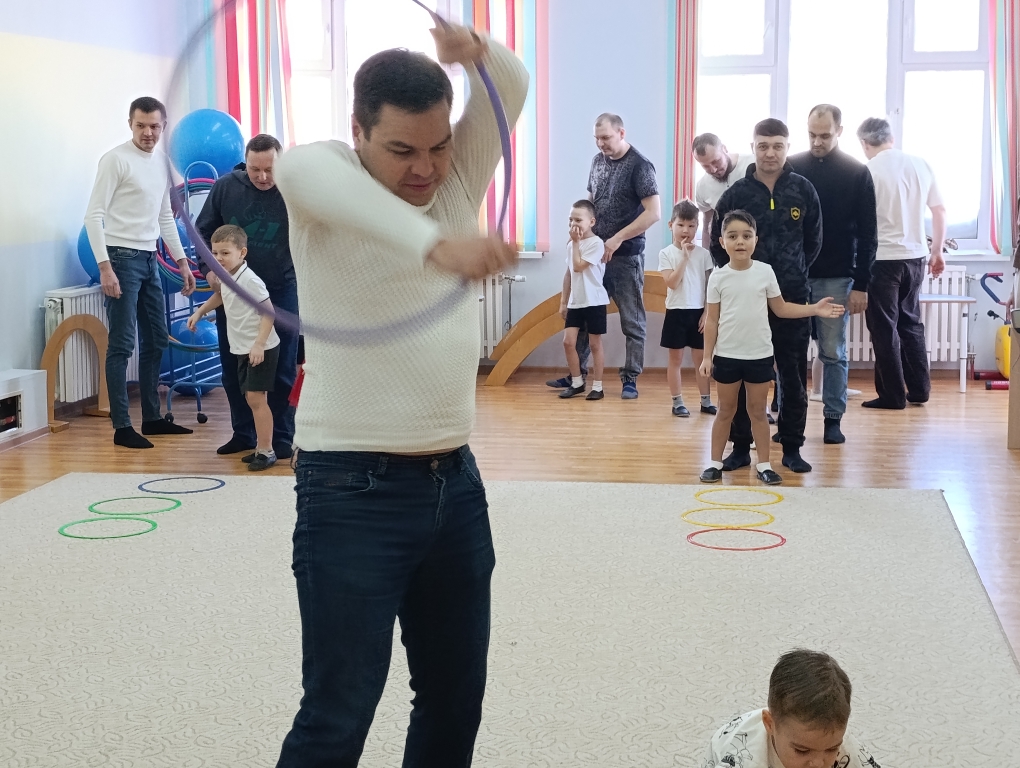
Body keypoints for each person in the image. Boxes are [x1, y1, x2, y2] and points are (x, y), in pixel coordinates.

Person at [272, 22, 528, 767]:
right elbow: (300, 169)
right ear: (358, 132)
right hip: (350, 486)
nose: (426, 168)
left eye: (439, 145)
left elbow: (511, 84)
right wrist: (434, 245)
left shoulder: (457, 175)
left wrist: (476, 51)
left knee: (454, 699)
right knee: (338, 712)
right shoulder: (322, 178)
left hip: (456, 481)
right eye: (402, 150)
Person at [84, 96, 197, 449]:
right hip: (120, 258)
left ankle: (152, 418)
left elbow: (165, 216)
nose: (148, 132)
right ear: (130, 124)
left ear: (163, 127)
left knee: (157, 339)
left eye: (154, 126)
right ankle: (122, 427)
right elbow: (93, 216)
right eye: (141, 126)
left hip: (150, 259)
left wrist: (182, 262)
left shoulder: (161, 162)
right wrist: (105, 267)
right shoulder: (115, 160)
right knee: (122, 344)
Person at [710, 118, 823, 474]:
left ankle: (791, 445)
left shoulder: (803, 190)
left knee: (792, 374)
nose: (770, 153)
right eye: (763, 146)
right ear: (753, 148)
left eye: (777, 146)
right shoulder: (737, 194)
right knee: (743, 376)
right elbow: (718, 243)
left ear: (787, 148)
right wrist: (739, 282)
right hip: (744, 303)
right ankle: (740, 446)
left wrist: (791, 272)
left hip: (791, 296)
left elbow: (813, 243)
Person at [700, 211, 843, 486]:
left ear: (756, 240)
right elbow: (712, 320)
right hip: (727, 356)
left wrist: (814, 309)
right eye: (732, 236)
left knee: (758, 411)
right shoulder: (718, 277)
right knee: (725, 410)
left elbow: (781, 308)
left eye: (746, 236)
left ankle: (764, 464)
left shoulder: (765, 272)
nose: (740, 241)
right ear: (722, 241)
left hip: (759, 356)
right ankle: (715, 463)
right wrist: (707, 357)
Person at [195, 133, 299, 460]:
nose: (263, 177)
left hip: (282, 289)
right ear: (246, 163)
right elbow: (202, 232)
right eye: (255, 169)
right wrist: (208, 269)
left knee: (282, 368)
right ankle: (243, 433)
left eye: (270, 170)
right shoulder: (226, 188)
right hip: (235, 291)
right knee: (234, 367)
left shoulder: (295, 190)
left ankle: (281, 437)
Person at [547, 113, 660, 399]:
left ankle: (630, 378)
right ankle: (578, 376)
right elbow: (590, 202)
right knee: (585, 316)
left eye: (606, 138)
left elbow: (654, 213)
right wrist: (579, 229)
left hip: (625, 258)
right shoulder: (597, 161)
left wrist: (617, 239)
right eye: (597, 138)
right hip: (593, 254)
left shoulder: (641, 166)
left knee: (632, 321)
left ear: (621, 133)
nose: (601, 144)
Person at [789, 105, 878, 444]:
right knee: (790, 350)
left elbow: (868, 234)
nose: (817, 141)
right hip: (795, 275)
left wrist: (862, 284)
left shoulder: (856, 173)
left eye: (824, 135)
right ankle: (789, 417)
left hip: (837, 276)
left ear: (839, 131)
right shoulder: (792, 167)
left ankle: (832, 419)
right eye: (812, 134)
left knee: (832, 350)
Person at [857, 117, 946, 410]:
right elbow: (939, 210)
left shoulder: (867, 171)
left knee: (884, 329)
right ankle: (919, 390)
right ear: (891, 139)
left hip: (883, 260)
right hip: (916, 256)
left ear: (865, 143)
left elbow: (859, 222)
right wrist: (937, 251)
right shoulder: (920, 164)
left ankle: (892, 396)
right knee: (911, 323)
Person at [187, 225, 280, 471]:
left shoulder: (250, 281)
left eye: (225, 253)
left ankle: (267, 450)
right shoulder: (227, 276)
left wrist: (259, 344)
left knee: (256, 398)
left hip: (260, 348)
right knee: (250, 398)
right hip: (242, 347)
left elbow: (269, 313)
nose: (219, 258)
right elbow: (221, 295)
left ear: (242, 253)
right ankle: (260, 447)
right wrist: (199, 312)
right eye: (215, 253)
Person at [701, 649, 881, 768]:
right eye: (802, 751)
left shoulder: (839, 746)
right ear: (770, 724)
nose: (818, 763)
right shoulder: (742, 759)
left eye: (831, 749)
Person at [658, 200, 716, 417]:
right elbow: (672, 283)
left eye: (691, 226)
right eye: (681, 225)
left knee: (702, 359)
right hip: (676, 312)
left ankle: (706, 401)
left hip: (699, 313)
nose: (686, 230)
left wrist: (707, 313)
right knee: (676, 360)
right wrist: (684, 257)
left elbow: (710, 287)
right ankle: (677, 402)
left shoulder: (704, 254)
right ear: (671, 225)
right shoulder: (666, 254)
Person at [557, 200, 608, 400]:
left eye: (578, 220)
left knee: (595, 344)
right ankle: (577, 382)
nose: (573, 224)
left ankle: (598, 386)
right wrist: (563, 302)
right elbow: (569, 273)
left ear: (591, 222)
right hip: (576, 301)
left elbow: (579, 266)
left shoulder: (596, 243)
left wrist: (576, 243)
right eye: (571, 220)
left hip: (594, 301)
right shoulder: (572, 244)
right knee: (568, 342)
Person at [693, 133, 754, 249]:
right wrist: (707, 257)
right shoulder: (702, 186)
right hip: (727, 251)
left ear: (724, 149)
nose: (713, 169)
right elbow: (707, 227)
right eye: (705, 166)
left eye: (716, 161)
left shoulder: (753, 165)